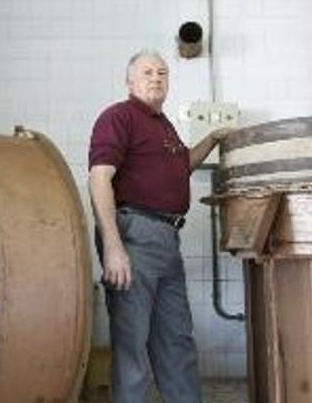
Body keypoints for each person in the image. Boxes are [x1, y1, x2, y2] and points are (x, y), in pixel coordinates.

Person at [88, 49, 231, 403]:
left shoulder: (163, 125)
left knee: (176, 339)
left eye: (163, 73)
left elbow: (181, 167)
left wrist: (212, 138)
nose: (156, 78)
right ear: (130, 81)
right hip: (134, 234)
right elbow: (98, 178)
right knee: (132, 343)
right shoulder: (119, 116)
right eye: (148, 72)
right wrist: (113, 245)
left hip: (167, 238)